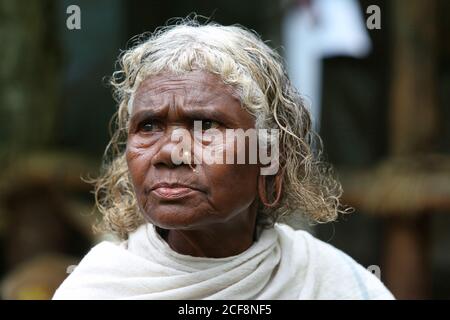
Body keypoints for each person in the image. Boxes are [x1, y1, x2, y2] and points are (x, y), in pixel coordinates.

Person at [53, 19, 394, 300]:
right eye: (150, 126)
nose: (170, 153)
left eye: (206, 126)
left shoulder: (332, 284)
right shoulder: (96, 290)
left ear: (269, 156)